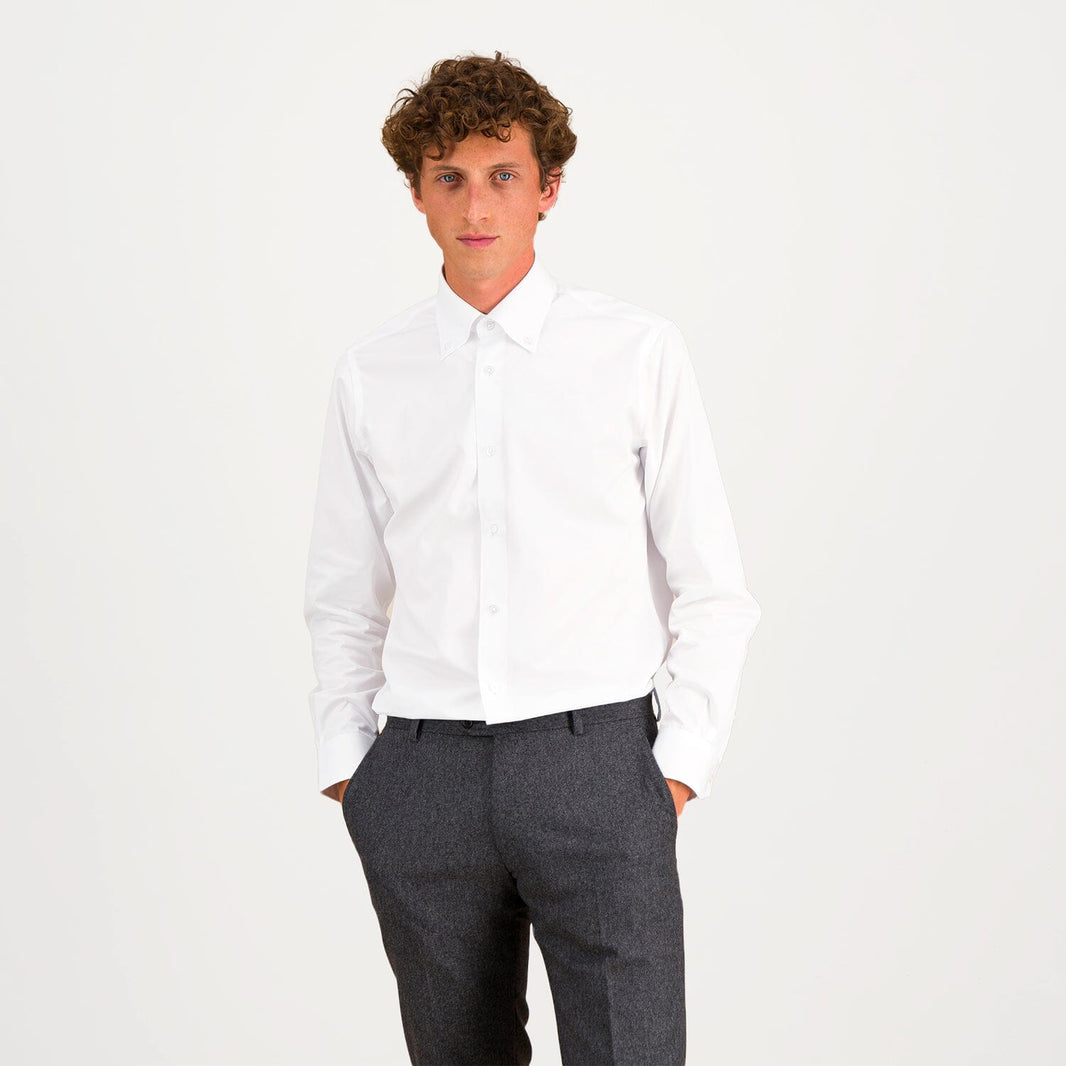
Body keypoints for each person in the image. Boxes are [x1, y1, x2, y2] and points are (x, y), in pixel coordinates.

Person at [303, 50, 761, 1065]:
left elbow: (711, 587)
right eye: (450, 177)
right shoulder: (373, 374)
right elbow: (343, 594)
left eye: (503, 175)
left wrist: (673, 770)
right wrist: (351, 766)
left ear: (548, 188)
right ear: (417, 193)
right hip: (423, 773)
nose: (477, 206)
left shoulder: (635, 353)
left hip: (597, 764)